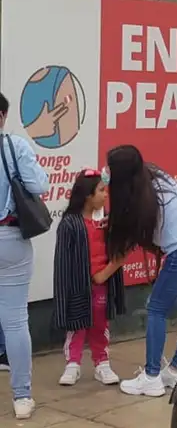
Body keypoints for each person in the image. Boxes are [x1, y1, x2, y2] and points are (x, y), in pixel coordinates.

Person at [105, 145, 177, 398]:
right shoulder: (154, 177)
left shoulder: (139, 201)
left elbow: (134, 237)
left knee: (156, 307)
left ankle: (152, 376)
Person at [0, 91, 50, 419]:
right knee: (16, 320)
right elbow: (40, 185)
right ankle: (21, 397)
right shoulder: (14, 146)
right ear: (2, 116)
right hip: (10, 238)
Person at [53, 170, 125, 387]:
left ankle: (101, 362)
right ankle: (72, 363)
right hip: (78, 287)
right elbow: (64, 262)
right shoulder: (70, 224)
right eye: (101, 191)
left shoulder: (104, 223)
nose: (105, 195)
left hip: (102, 286)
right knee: (76, 325)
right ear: (87, 195)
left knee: (99, 324)